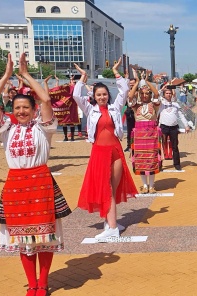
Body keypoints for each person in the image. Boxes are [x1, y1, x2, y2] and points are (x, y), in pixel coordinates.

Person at [0, 53, 71, 296]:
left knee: (45, 236)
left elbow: (45, 98)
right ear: (12, 111)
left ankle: (43, 283)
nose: (21, 111)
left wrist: (25, 75)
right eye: (17, 108)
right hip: (16, 185)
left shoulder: (43, 128)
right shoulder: (6, 129)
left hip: (40, 182)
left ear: (34, 110)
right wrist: (5, 77)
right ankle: (31, 284)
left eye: (26, 107)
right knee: (23, 240)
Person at [73, 60, 138, 240]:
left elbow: (124, 90)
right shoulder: (90, 109)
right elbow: (76, 96)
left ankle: (111, 221)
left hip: (115, 151)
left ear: (108, 95)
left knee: (113, 189)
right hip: (99, 153)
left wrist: (116, 72)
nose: (101, 97)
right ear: (94, 96)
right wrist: (82, 78)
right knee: (106, 188)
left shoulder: (114, 107)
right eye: (98, 94)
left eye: (104, 94)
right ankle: (112, 227)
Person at [128, 72, 162, 193]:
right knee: (140, 160)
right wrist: (137, 82)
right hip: (139, 137)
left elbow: (157, 93)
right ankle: (145, 185)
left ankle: (152, 185)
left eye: (147, 93)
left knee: (152, 159)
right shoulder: (136, 106)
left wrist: (147, 81)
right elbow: (130, 97)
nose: (145, 95)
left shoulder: (155, 105)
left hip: (152, 136)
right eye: (142, 93)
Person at [158, 85, 190, 171]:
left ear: (172, 94)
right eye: (167, 93)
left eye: (169, 93)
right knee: (161, 146)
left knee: (175, 146)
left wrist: (186, 125)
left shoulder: (175, 104)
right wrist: (161, 89)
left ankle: (177, 164)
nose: (168, 94)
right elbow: (156, 97)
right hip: (163, 127)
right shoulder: (161, 103)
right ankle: (159, 164)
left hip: (173, 128)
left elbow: (181, 115)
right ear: (164, 95)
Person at [124, 77, 137, 151]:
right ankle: (129, 145)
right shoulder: (127, 91)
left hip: (136, 112)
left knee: (136, 129)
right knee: (129, 130)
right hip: (129, 112)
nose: (131, 85)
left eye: (133, 84)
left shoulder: (138, 91)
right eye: (130, 84)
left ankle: (136, 144)